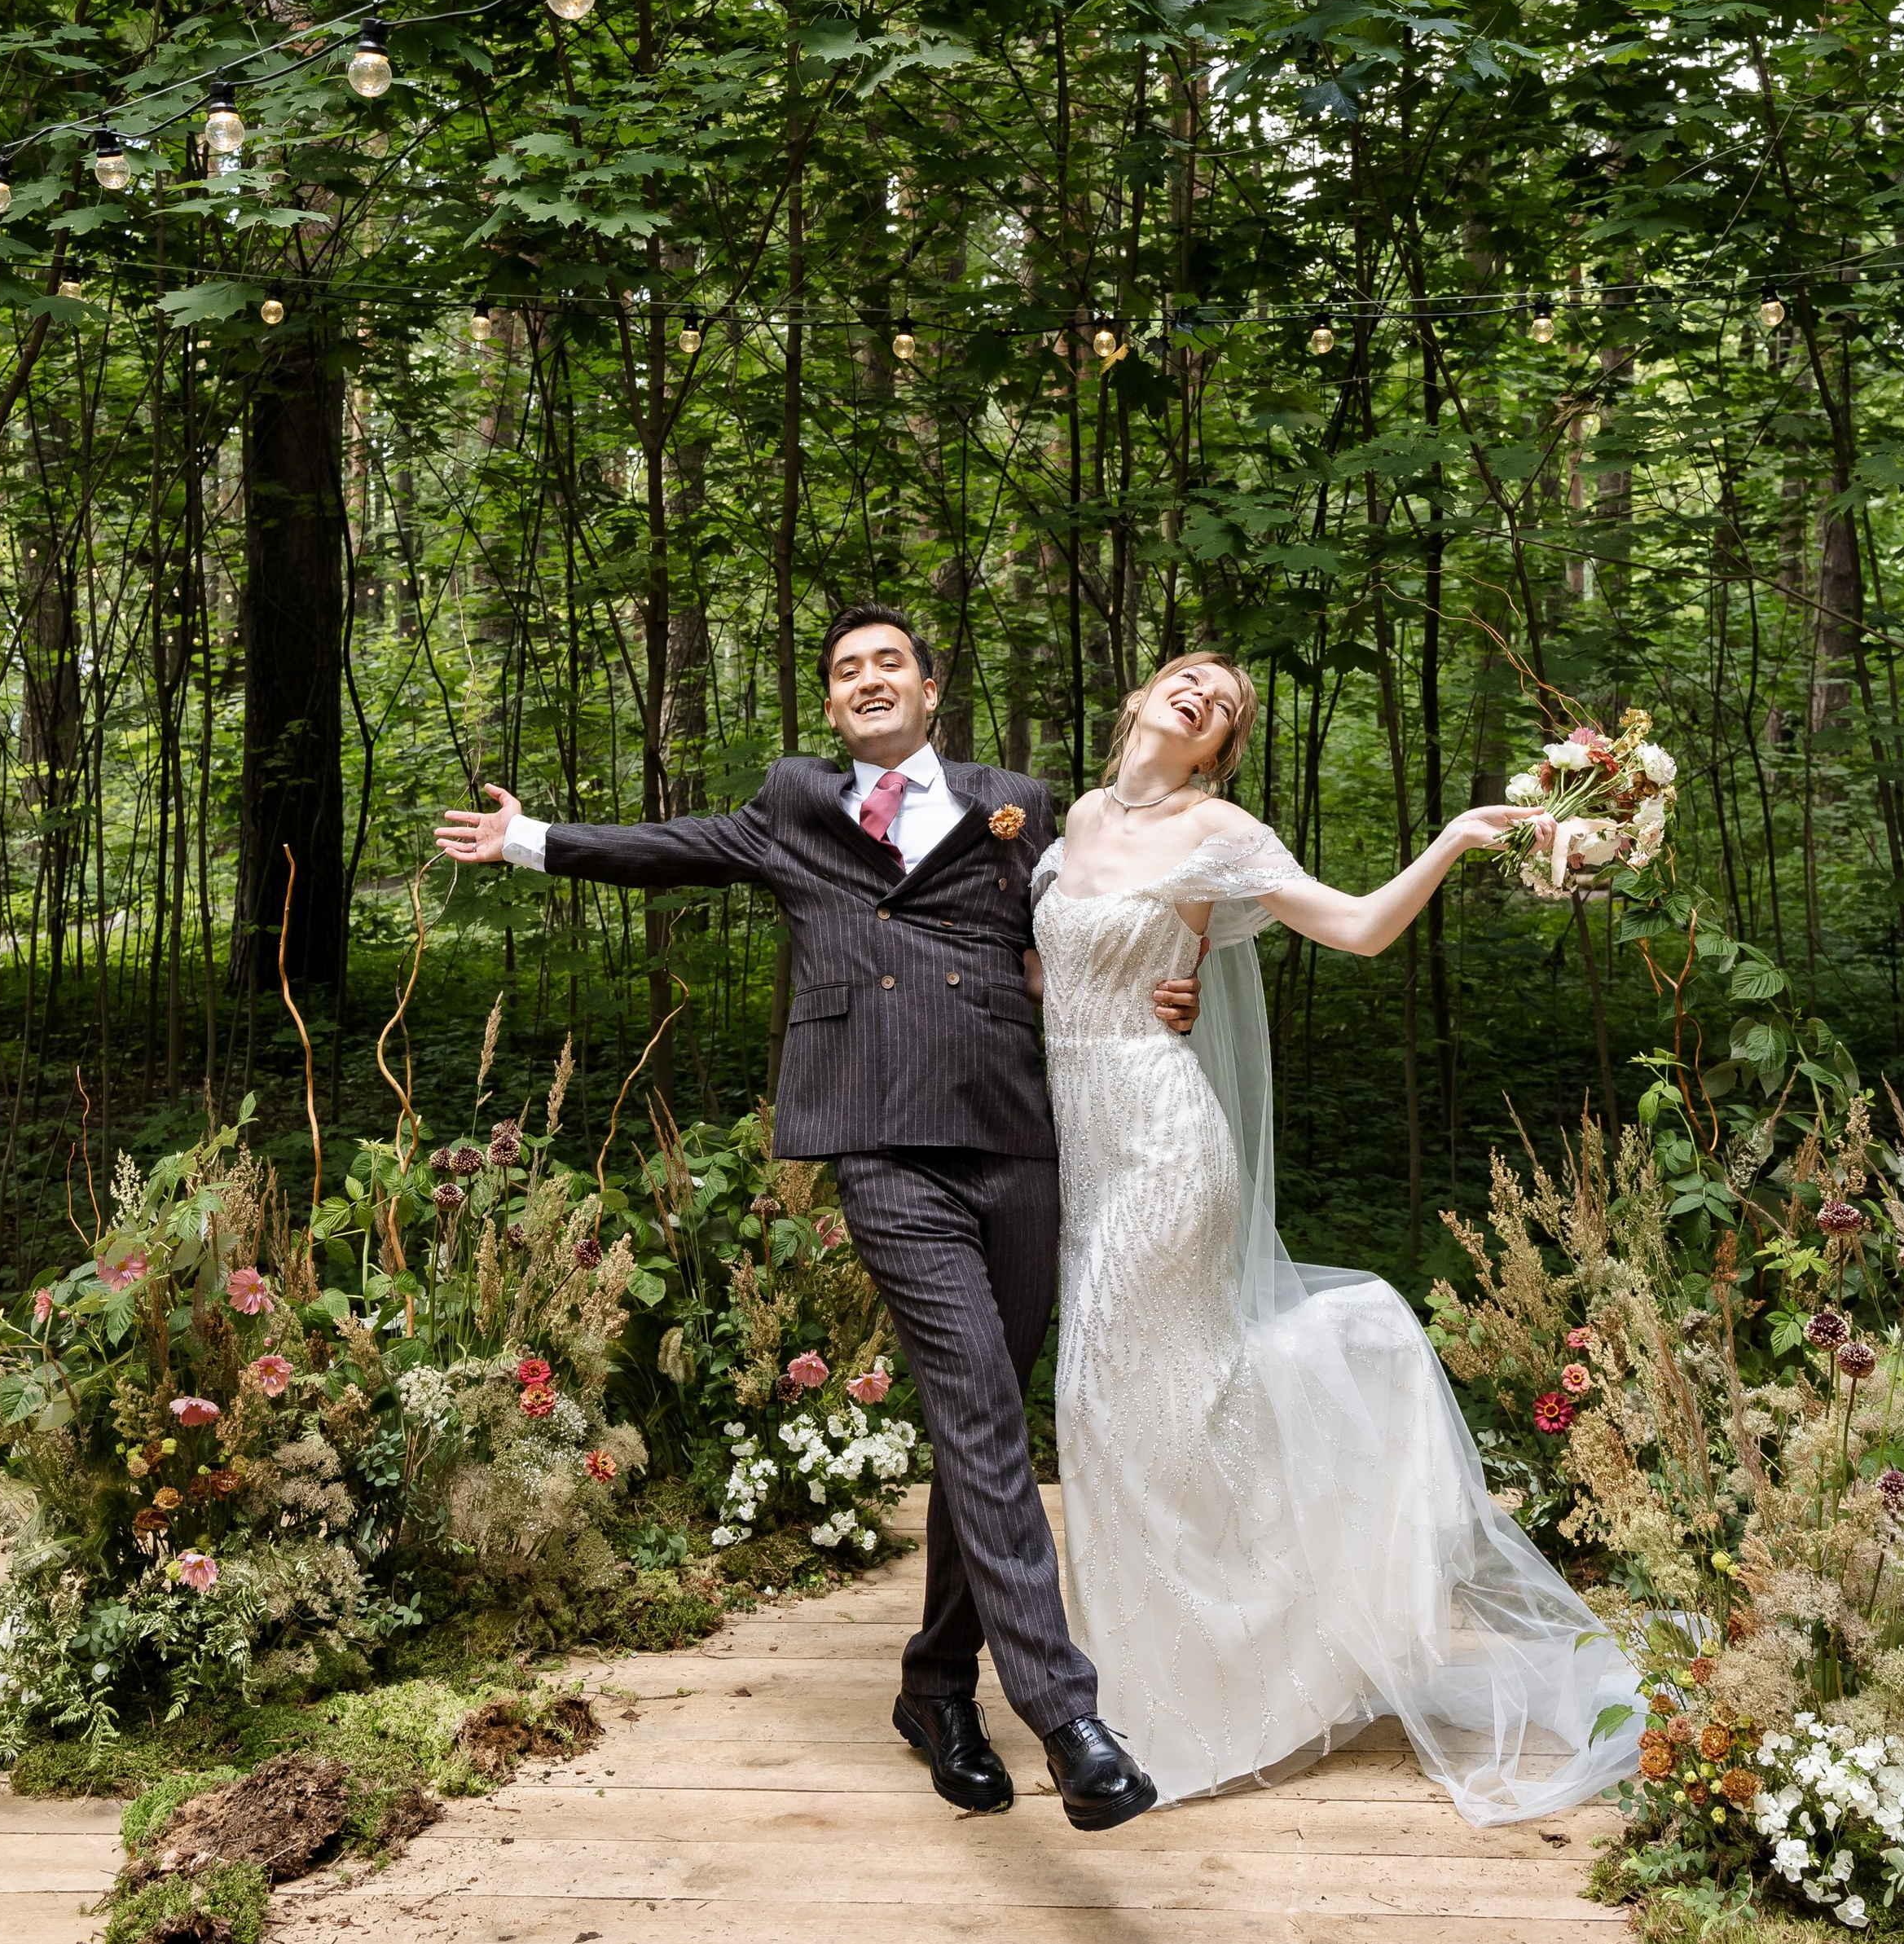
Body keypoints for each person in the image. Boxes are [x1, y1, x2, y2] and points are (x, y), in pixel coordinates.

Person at [433, 602, 1198, 1832]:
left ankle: (936, 1690)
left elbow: (1080, 929)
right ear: (834, 707)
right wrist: (532, 840)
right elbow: (670, 847)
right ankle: (1070, 1722)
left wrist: (1165, 982)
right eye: (847, 670)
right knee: (980, 1411)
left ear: (932, 690)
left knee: (987, 1424)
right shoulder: (796, 806)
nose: (868, 678)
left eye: (891, 661)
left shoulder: (1018, 804)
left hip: (1012, 1135)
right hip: (881, 1139)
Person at [1033, 649, 1646, 1819]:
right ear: (1143, 698)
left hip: (1164, 1147)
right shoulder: (1076, 823)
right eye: (1190, 677)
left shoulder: (1221, 831)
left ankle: (1170, 1714)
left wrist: (1456, 837)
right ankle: (1156, 1689)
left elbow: (1359, 929)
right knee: (1123, 1415)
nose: (1205, 694)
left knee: (1119, 1399)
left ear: (1220, 750)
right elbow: (1055, 975)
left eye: (1226, 704)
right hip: (1085, 1153)